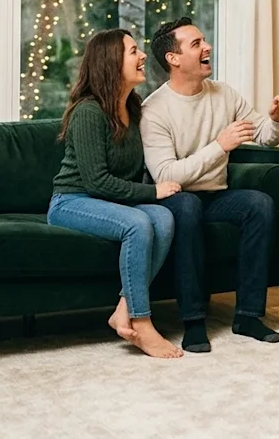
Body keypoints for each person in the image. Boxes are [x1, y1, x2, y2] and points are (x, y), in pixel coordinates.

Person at [141, 17, 279, 353]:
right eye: (196, 44)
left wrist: (277, 121)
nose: (206, 46)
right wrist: (219, 146)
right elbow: (166, 174)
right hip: (173, 199)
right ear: (174, 58)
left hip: (215, 196)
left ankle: (248, 316)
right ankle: (194, 321)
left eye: (204, 40)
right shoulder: (154, 110)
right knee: (188, 205)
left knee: (259, 203)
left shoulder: (224, 94)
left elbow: (264, 136)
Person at [48, 28, 183, 359]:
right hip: (72, 201)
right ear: (111, 62)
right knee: (138, 223)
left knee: (163, 219)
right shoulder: (89, 112)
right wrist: (154, 190)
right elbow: (97, 182)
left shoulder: (134, 110)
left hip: (112, 202)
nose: (141, 57)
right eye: (133, 51)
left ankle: (124, 306)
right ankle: (142, 322)